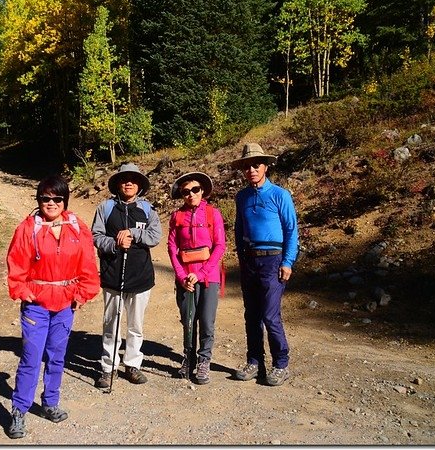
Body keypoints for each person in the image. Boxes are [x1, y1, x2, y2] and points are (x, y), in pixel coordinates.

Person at [5, 175, 100, 439]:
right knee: (31, 358)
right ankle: (19, 410)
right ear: (38, 200)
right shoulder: (27, 228)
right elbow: (16, 264)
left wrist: (82, 294)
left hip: (65, 304)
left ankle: (50, 402)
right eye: (45, 198)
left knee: (57, 355)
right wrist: (23, 292)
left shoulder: (77, 227)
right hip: (36, 303)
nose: (51, 203)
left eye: (57, 198)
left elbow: (88, 264)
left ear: (65, 201)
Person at [231, 143, 299, 386]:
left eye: (256, 164)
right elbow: (239, 228)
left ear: (266, 166)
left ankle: (281, 364)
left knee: (270, 316)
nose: (251, 169)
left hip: (273, 260)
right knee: (252, 315)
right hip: (250, 260)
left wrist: (288, 262)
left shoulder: (280, 195)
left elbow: (292, 230)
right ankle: (254, 361)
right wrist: (241, 255)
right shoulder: (242, 196)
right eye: (247, 166)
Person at [91, 163, 162, 389]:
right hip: (113, 276)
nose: (128, 182)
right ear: (118, 184)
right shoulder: (106, 207)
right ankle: (108, 367)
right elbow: (95, 236)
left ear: (139, 184)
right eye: (124, 179)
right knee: (111, 324)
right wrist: (114, 243)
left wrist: (133, 233)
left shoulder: (148, 209)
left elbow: (155, 235)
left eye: (133, 179)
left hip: (141, 276)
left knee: (135, 325)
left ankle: (132, 364)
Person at [167, 171, 226, 385]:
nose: (191, 194)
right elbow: (172, 247)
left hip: (208, 276)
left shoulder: (213, 214)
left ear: (202, 191)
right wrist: (182, 276)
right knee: (188, 320)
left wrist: (200, 273)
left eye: (195, 190)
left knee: (207, 322)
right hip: (185, 279)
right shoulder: (177, 216)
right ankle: (188, 358)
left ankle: (204, 361)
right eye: (186, 191)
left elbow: (220, 246)